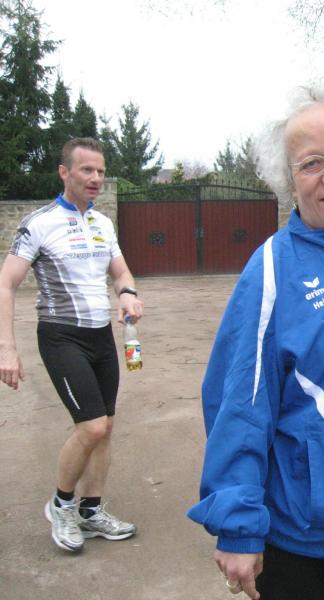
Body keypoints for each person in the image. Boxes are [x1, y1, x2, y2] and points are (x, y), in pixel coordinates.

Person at [187, 83, 324, 600]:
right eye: (312, 163)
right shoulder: (271, 270)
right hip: (305, 540)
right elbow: (238, 405)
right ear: (288, 180)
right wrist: (238, 525)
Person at [0, 137, 143, 553]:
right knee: (91, 426)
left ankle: (90, 510)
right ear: (64, 172)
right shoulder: (40, 223)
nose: (95, 178)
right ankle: (61, 505)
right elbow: (6, 283)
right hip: (61, 335)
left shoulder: (103, 224)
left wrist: (128, 294)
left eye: (100, 171)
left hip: (101, 335)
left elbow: (120, 272)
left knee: (106, 428)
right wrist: (6, 348)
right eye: (87, 170)